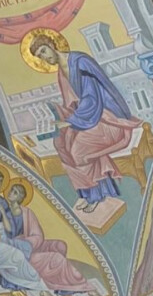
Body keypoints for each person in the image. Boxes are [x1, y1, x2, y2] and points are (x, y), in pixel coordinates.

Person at [27, 30, 140, 212]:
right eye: (40, 56)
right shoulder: (61, 72)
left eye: (44, 51)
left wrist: (72, 121)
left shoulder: (81, 62)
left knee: (79, 150)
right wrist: (57, 113)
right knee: (60, 144)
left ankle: (96, 194)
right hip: (90, 119)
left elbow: (92, 99)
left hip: (110, 119)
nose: (45, 58)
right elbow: (72, 103)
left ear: (52, 45)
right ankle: (84, 192)